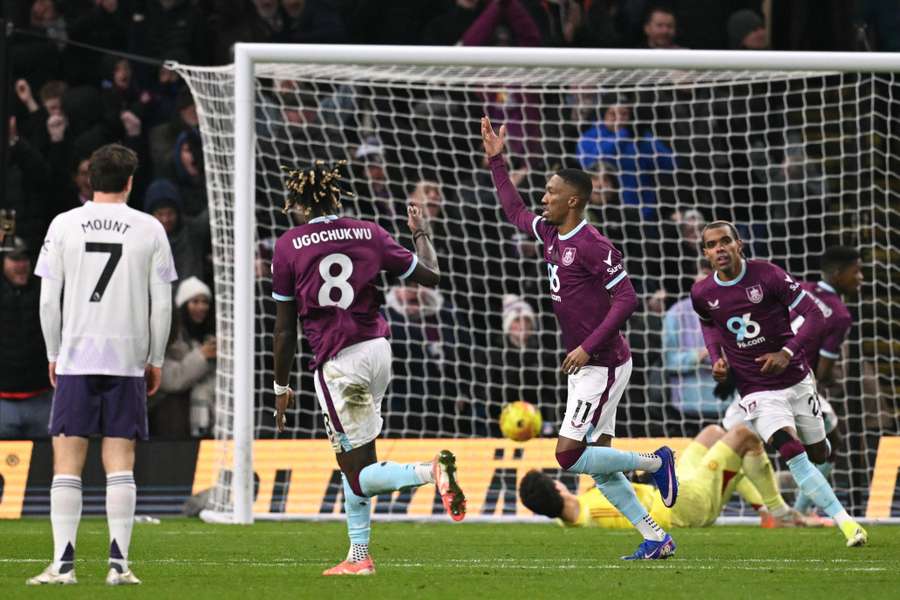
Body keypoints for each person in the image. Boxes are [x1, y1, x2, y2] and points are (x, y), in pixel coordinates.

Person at [481, 115, 677, 560]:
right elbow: (514, 212)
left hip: (603, 361)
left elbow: (626, 300)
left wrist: (588, 346)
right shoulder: (550, 232)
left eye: (551, 192)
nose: (543, 197)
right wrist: (497, 161)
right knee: (600, 465)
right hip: (585, 363)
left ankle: (656, 462)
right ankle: (654, 537)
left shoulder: (593, 245)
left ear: (573, 200)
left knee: (569, 455)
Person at [270, 160, 466, 576]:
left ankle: (430, 471)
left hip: (339, 360)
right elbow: (431, 275)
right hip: (378, 350)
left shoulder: (289, 244)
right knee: (355, 459)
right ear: (336, 196)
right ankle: (359, 556)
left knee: (358, 475)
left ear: (299, 204)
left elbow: (284, 330)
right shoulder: (368, 231)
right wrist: (419, 231)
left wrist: (279, 387)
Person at [30, 143, 176, 585]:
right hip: (127, 358)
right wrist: (155, 359)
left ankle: (63, 565)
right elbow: (163, 305)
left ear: (89, 180)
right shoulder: (149, 228)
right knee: (121, 462)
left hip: (76, 356)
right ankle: (119, 565)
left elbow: (46, 302)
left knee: (67, 463)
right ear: (131, 182)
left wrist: (54, 352)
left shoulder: (63, 225)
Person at [690, 221, 867, 547]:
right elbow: (708, 324)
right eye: (712, 245)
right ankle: (847, 524)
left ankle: (790, 496)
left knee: (819, 452)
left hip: (797, 379)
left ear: (738, 244)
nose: (720, 249)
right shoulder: (702, 292)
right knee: (792, 452)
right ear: (705, 252)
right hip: (756, 388)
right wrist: (717, 357)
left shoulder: (768, 275)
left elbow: (813, 314)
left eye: (725, 241)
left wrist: (787, 353)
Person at [520, 424, 807, 529]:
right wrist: (646, 482)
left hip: (670, 492)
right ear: (558, 488)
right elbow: (647, 516)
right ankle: (777, 512)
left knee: (712, 434)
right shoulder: (593, 511)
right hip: (681, 505)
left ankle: (765, 513)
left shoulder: (571, 516)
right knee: (744, 435)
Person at [0, 237, 52, 439]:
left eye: (25, 259)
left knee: (47, 467)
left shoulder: (46, 294)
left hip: (42, 399)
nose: (22, 265)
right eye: (15, 259)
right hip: (3, 404)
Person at [152, 277, 216, 439]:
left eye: (205, 302)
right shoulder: (169, 335)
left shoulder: (213, 335)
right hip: (172, 423)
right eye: (195, 301)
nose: (201, 307)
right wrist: (202, 356)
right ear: (182, 305)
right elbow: (170, 380)